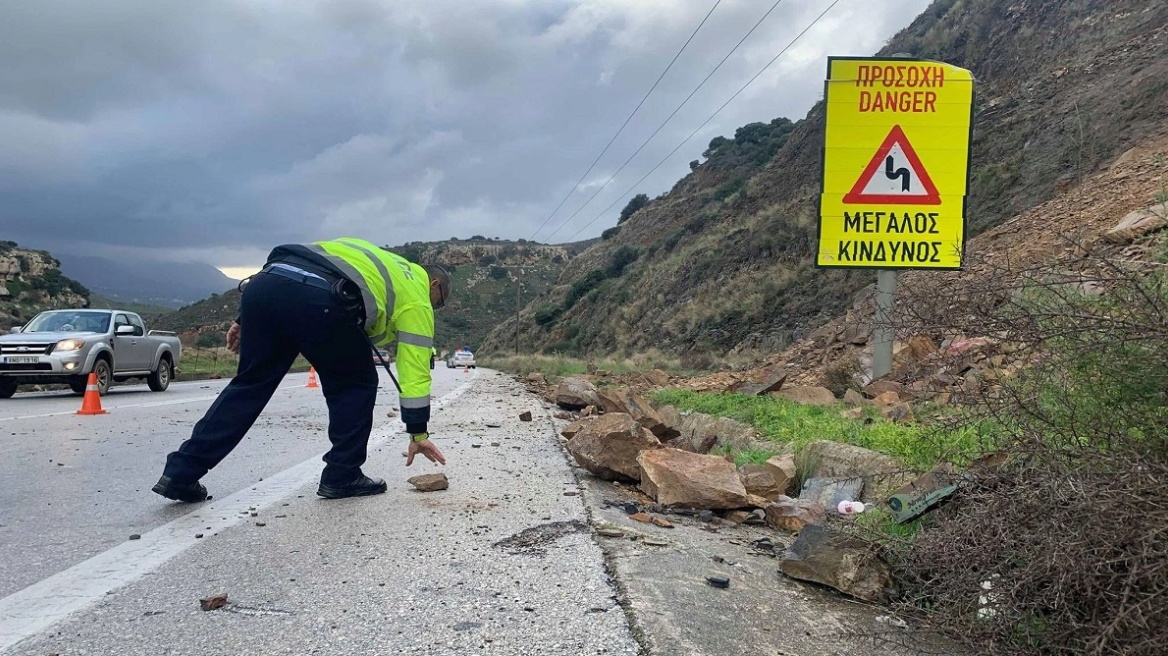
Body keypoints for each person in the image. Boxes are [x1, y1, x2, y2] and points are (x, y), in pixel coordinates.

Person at [151, 237, 451, 502]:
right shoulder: (416, 295)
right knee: (355, 384)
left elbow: (291, 273)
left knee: (248, 387)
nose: (434, 308)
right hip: (322, 300)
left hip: (264, 285)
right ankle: (342, 475)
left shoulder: (378, 259)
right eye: (439, 302)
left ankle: (181, 472)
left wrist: (244, 318)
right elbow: (414, 369)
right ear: (434, 285)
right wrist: (417, 432)